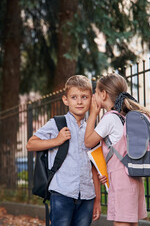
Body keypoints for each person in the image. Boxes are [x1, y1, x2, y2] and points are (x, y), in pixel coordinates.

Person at [27, 75, 101, 226]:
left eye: (84, 97)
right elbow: (31, 144)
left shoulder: (92, 129)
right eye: (74, 97)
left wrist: (97, 200)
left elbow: (94, 166)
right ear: (65, 100)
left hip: (87, 196)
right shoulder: (57, 123)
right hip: (62, 193)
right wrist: (57, 140)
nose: (79, 101)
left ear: (91, 99)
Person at [85, 73, 150, 226]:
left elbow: (88, 141)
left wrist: (93, 113)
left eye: (96, 92)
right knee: (131, 222)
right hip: (133, 177)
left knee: (121, 222)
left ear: (103, 94)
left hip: (121, 180)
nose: (93, 96)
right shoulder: (125, 116)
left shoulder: (110, 118)